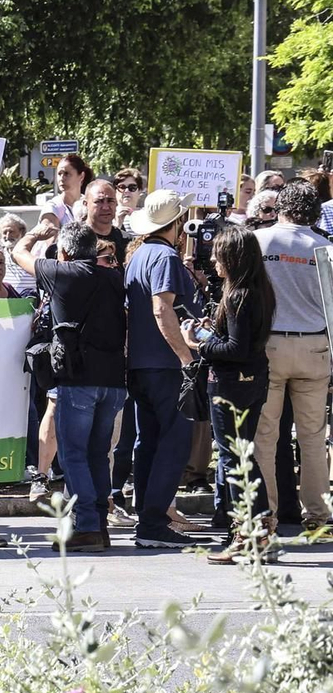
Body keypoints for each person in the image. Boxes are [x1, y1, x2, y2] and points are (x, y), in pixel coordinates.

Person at [35, 223, 128, 553]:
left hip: (79, 380)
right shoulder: (116, 278)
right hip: (114, 381)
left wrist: (37, 236)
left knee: (73, 454)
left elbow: (19, 255)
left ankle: (87, 524)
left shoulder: (64, 274)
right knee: (97, 454)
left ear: (64, 252)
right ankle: (100, 524)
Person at [122, 190, 202, 548]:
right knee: (173, 442)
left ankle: (148, 520)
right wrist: (186, 357)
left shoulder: (138, 255)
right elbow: (162, 309)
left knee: (148, 442)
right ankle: (153, 522)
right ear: (177, 222)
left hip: (140, 364)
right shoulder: (166, 257)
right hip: (165, 366)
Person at [253, 182, 332, 528]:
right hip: (315, 346)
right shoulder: (325, 247)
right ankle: (317, 513)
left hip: (270, 345)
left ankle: (265, 513)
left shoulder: (260, 241)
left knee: (265, 435)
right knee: (313, 436)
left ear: (281, 207)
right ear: (314, 212)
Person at [198, 226, 276, 562]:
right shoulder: (258, 290)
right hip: (254, 379)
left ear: (233, 258)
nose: (214, 260)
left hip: (232, 383)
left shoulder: (239, 295)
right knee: (242, 457)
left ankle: (247, 533)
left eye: (219, 253)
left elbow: (235, 347)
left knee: (233, 460)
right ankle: (259, 529)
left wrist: (201, 343)